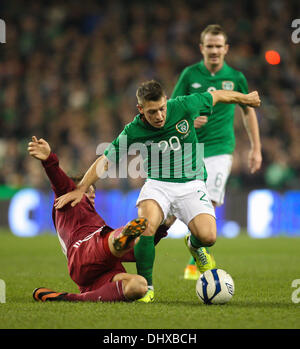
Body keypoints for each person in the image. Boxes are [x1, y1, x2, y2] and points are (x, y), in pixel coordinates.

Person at [54, 80, 261, 302]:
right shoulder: (134, 129)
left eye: (162, 109)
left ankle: (194, 245)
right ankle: (148, 288)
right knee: (145, 226)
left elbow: (218, 95)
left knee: (208, 237)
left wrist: (245, 98)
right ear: (141, 109)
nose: (160, 116)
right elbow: (106, 158)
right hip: (158, 185)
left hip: (191, 183)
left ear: (166, 102)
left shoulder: (183, 105)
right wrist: (82, 188)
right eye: (152, 112)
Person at [171, 24, 262, 280]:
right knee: (172, 213)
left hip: (221, 149)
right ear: (202, 48)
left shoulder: (236, 77)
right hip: (191, 148)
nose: (214, 50)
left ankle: (195, 256)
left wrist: (256, 147)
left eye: (218, 46)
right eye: (209, 46)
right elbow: (173, 109)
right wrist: (189, 120)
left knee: (208, 203)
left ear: (226, 49)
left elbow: (248, 111)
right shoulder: (190, 75)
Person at [28, 136, 150, 302]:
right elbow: (60, 182)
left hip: (96, 272)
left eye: (93, 191)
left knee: (139, 286)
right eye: (87, 191)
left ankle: (71, 298)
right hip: (84, 250)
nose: (91, 194)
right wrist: (49, 160)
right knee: (115, 237)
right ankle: (123, 236)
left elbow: (133, 255)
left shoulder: (93, 220)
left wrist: (154, 236)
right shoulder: (68, 202)